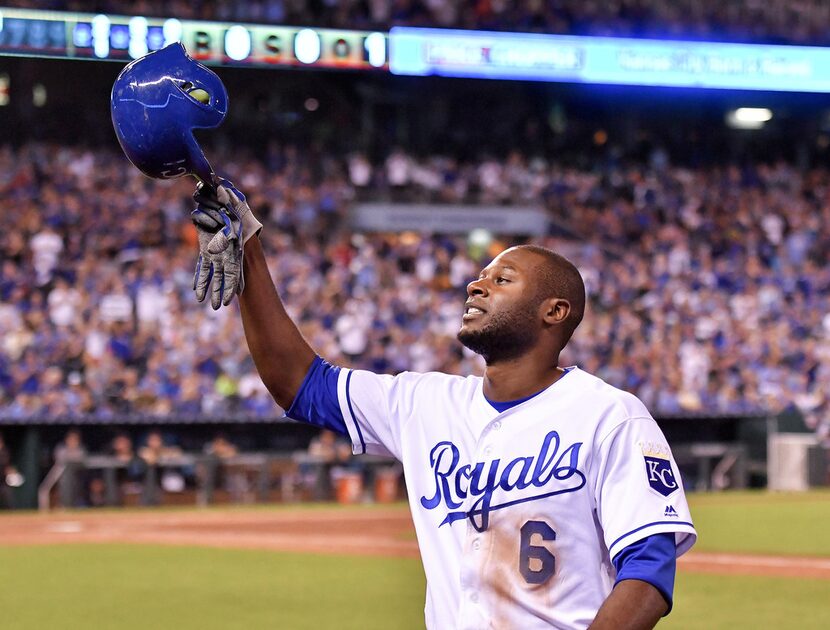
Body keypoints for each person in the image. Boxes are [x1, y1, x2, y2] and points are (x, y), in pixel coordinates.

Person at [190, 182, 697, 629]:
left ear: (555, 311)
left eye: (503, 280)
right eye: (481, 276)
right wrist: (250, 249)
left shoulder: (609, 415)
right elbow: (297, 382)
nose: (476, 285)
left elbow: (648, 572)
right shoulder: (424, 402)